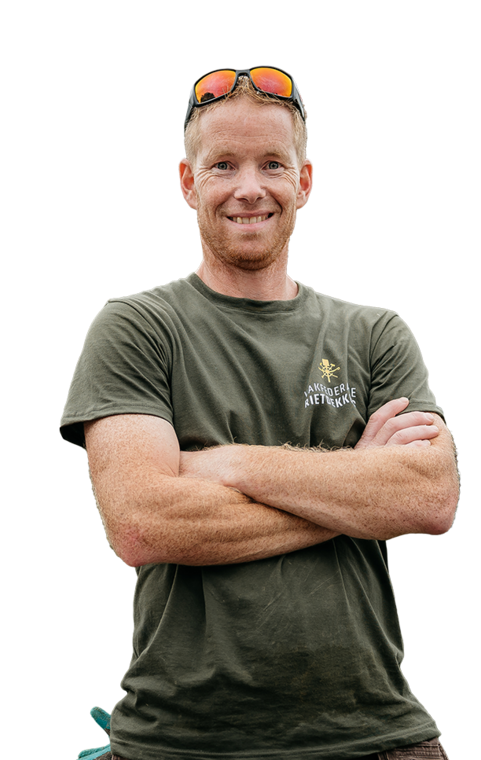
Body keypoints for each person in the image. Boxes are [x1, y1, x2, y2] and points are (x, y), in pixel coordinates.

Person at [59, 66, 459, 760]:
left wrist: (227, 465)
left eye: (272, 163)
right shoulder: (134, 327)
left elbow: (429, 497)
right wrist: (355, 485)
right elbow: (142, 523)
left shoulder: (374, 332)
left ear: (304, 180)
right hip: (181, 739)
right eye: (224, 166)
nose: (249, 188)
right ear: (188, 182)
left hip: (377, 733)